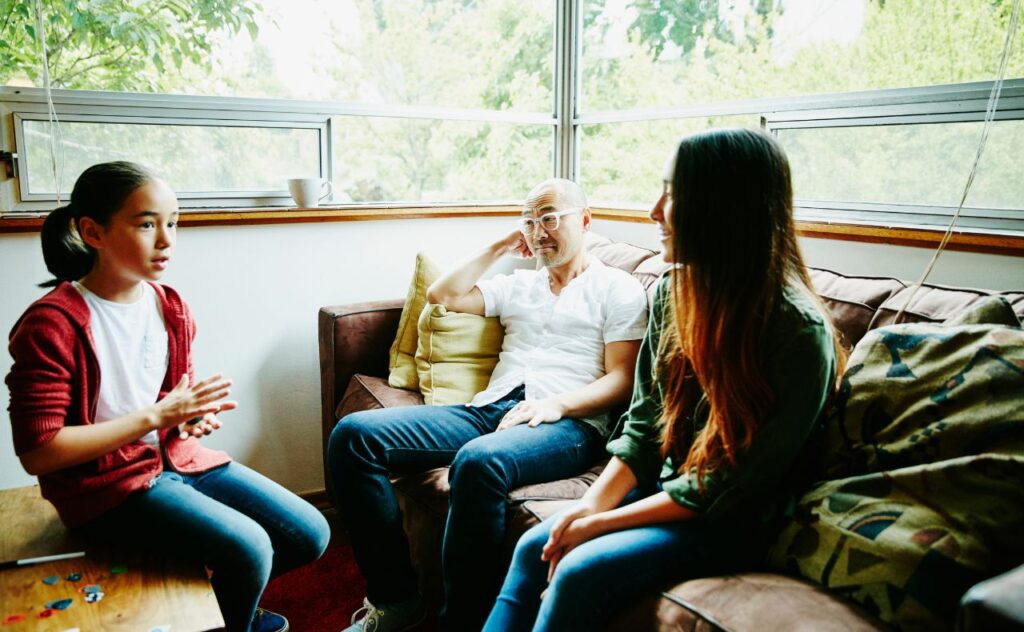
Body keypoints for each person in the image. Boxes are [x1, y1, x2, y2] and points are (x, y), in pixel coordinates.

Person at [483, 128, 848, 631]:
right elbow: (644, 425)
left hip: (733, 520)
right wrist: (586, 508)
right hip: (668, 486)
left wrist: (599, 523)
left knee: (578, 570)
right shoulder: (675, 292)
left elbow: (725, 487)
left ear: (723, 208)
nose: (654, 210)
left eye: (672, 193)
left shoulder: (798, 334)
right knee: (534, 545)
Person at [6, 161, 330, 632]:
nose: (166, 239)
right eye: (146, 224)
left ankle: (218, 609)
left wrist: (189, 419)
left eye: (173, 223)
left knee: (309, 533)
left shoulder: (169, 305)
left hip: (177, 463)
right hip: (105, 490)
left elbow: (174, 405)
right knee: (250, 548)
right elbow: (39, 452)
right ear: (92, 232)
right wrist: (156, 415)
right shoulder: (50, 324)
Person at [328, 178, 648, 631]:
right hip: (490, 410)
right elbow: (444, 295)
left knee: (478, 463)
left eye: (551, 218)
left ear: (586, 220)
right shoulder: (519, 285)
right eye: (531, 221)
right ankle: (397, 599)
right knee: (354, 437)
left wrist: (559, 404)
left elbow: (622, 377)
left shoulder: (618, 288)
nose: (540, 231)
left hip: (568, 424)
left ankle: (460, 621)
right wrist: (500, 244)